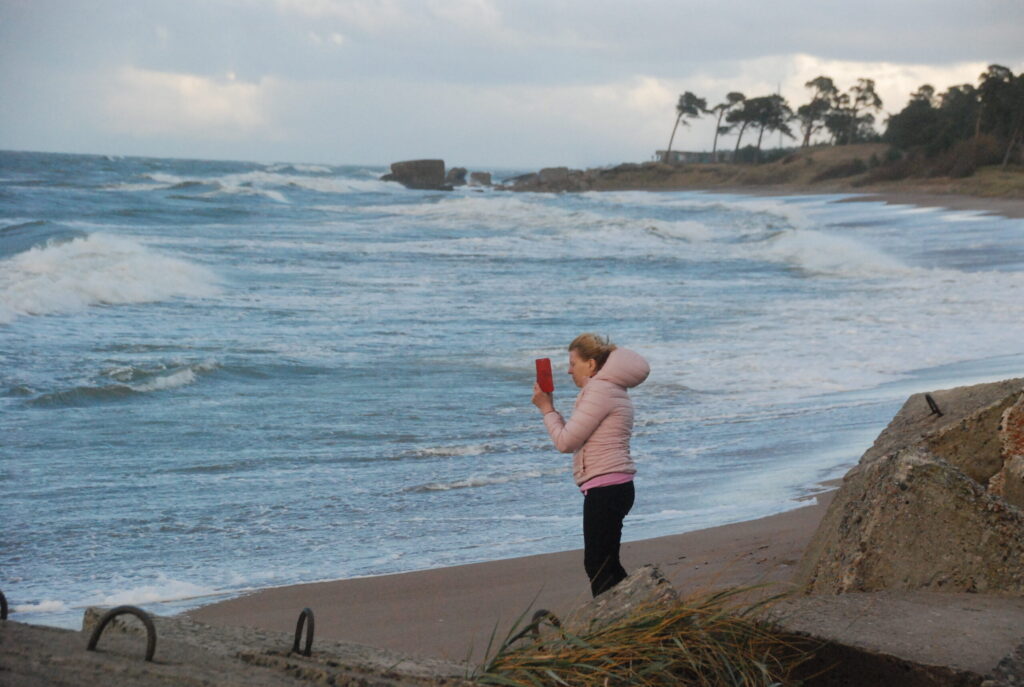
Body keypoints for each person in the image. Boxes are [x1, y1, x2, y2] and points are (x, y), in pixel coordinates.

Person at [531, 333, 650, 597]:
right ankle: (639, 609)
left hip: (607, 487)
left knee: (598, 564)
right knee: (606, 562)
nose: (569, 369)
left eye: (573, 363)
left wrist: (547, 409)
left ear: (592, 364)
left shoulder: (598, 390)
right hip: (615, 486)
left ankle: (619, 623)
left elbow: (566, 442)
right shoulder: (612, 389)